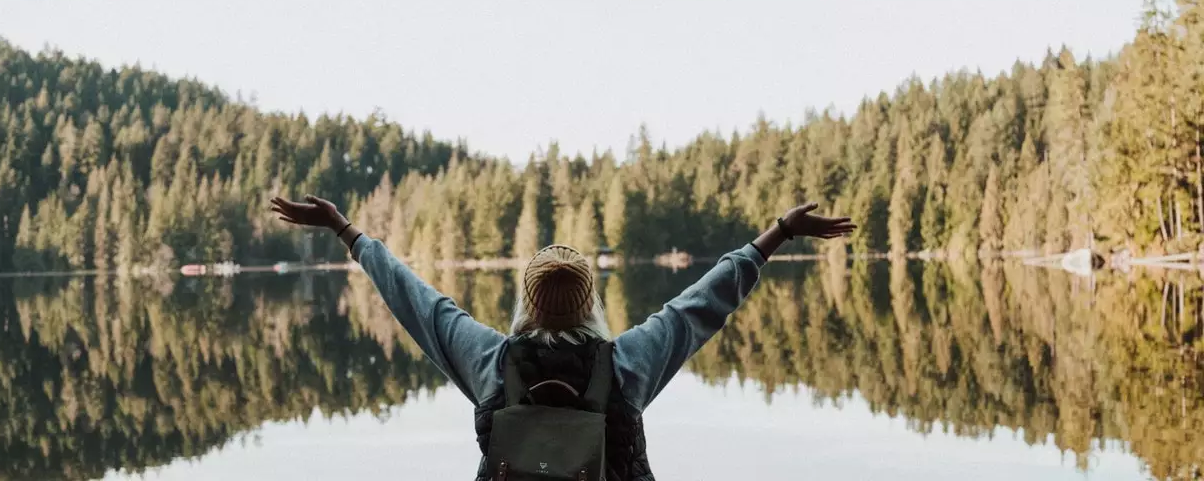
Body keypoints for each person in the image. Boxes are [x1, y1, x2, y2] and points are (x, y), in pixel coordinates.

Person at [270, 194, 854, 480]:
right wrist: (780, 233)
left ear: (525, 303)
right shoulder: (627, 363)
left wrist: (344, 230)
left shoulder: (491, 362)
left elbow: (413, 298)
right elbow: (704, 302)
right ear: (592, 303)